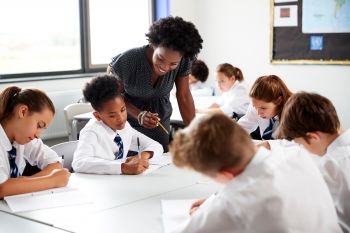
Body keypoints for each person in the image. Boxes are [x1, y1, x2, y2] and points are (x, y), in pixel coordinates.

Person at [169, 113, 342, 233]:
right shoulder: (298, 157)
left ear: (224, 174)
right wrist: (215, 199)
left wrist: (204, 215)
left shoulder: (233, 205)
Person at [107, 16, 203, 152]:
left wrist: (194, 132)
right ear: (154, 45)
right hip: (125, 122)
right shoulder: (128, 60)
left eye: (173, 64)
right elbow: (113, 98)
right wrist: (139, 114)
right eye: (160, 58)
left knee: (158, 161)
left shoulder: (185, 60)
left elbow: (184, 95)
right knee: (129, 163)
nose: (164, 67)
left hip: (159, 121)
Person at [278, 92, 350, 232]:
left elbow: (334, 224)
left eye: (300, 144)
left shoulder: (331, 166)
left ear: (313, 137)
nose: (303, 150)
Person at [72, 75, 163, 175]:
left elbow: (155, 145)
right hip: (98, 184)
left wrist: (141, 157)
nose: (121, 118)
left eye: (123, 110)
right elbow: (79, 163)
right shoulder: (92, 131)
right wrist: (122, 167)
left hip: (118, 182)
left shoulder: (124, 127)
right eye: (112, 115)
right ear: (97, 116)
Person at [0, 86, 70, 198]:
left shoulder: (23, 137)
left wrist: (24, 184)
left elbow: (54, 163)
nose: (38, 135)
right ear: (23, 112)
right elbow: (2, 188)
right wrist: (51, 180)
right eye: (39, 125)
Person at [238, 75, 292, 140]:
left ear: (279, 101)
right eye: (255, 106)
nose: (258, 113)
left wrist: (267, 145)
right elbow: (242, 127)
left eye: (263, 108)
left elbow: (294, 144)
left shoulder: (293, 112)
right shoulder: (257, 105)